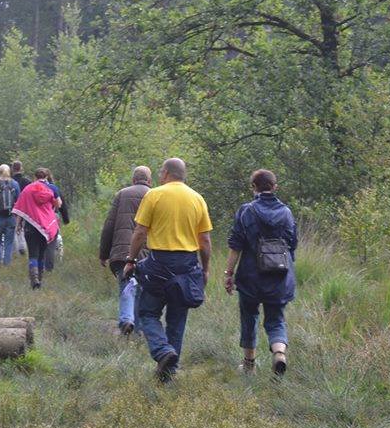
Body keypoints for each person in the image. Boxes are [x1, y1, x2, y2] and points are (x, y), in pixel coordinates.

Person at [124, 158, 212, 382]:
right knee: (177, 318)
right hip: (187, 264)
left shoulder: (154, 195)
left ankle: (163, 352)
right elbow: (205, 240)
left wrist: (131, 260)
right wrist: (206, 269)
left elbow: (140, 232)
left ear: (165, 174)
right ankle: (168, 374)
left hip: (158, 264)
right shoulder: (197, 198)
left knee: (148, 313)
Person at [223, 169, 297, 376]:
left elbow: (235, 245)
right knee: (276, 319)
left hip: (250, 277)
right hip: (279, 276)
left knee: (249, 317)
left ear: (253, 188)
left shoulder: (246, 211)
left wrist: (229, 273)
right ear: (275, 187)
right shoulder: (286, 212)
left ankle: (249, 365)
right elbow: (292, 245)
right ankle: (279, 353)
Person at [99, 166, 152, 336]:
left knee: (127, 285)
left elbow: (109, 225)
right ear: (149, 181)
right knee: (142, 290)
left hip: (122, 252)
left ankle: (127, 320)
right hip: (147, 252)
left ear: (133, 180)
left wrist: (104, 253)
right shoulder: (155, 195)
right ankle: (138, 330)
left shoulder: (122, 194)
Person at [12, 167, 62, 289]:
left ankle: (34, 278)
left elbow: (20, 207)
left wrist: (18, 224)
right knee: (42, 254)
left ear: (35, 177)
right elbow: (59, 204)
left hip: (30, 225)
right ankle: (39, 278)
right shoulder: (52, 188)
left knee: (33, 254)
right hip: (46, 227)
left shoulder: (28, 189)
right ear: (47, 176)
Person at [43, 171, 69, 272]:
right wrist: (66, 219)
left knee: (43, 240)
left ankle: (42, 263)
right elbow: (62, 205)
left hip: (40, 218)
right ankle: (50, 265)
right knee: (53, 241)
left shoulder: (36, 188)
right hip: (54, 217)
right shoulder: (54, 188)